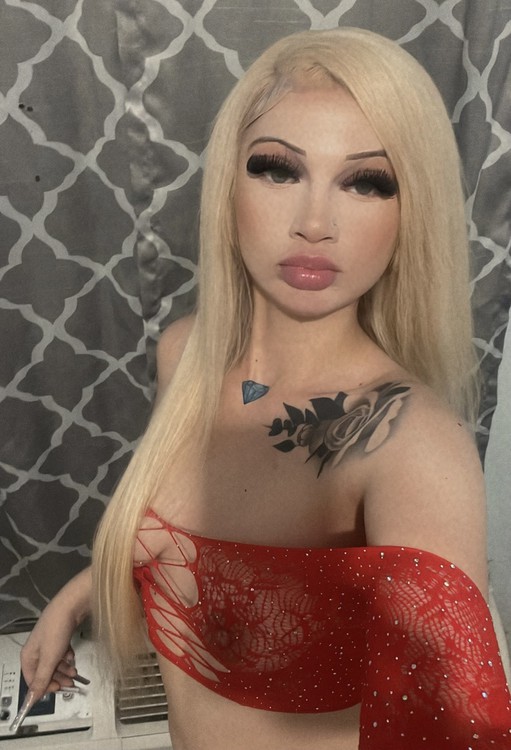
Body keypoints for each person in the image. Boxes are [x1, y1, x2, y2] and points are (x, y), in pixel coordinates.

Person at [18, 27, 511, 750]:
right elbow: (179, 540)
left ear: (411, 212)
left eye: (366, 182)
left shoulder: (410, 446)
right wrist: (75, 597)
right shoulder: (186, 353)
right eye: (279, 170)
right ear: (228, 184)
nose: (314, 224)